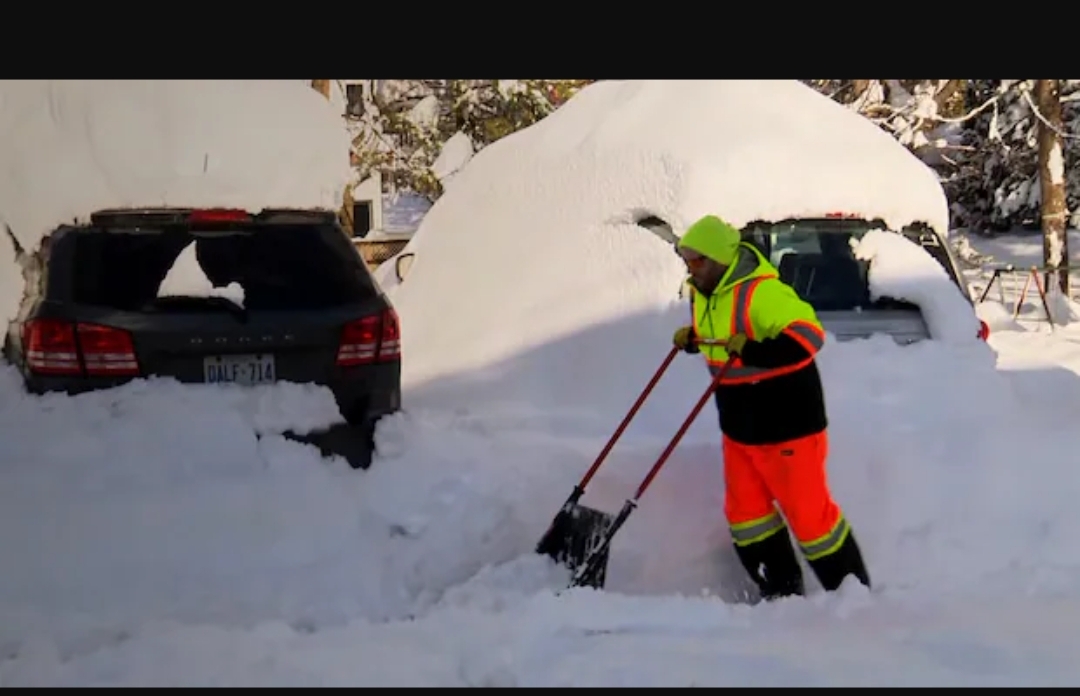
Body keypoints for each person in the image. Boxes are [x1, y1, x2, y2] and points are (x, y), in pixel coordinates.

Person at [672, 214, 871, 601]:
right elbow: (728, 336)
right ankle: (782, 594)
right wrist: (698, 338)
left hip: (787, 424)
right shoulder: (704, 293)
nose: (691, 268)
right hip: (739, 425)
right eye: (687, 261)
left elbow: (809, 336)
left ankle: (853, 596)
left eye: (698, 260)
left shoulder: (761, 292)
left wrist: (752, 348)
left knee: (812, 520)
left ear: (718, 259)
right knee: (747, 518)